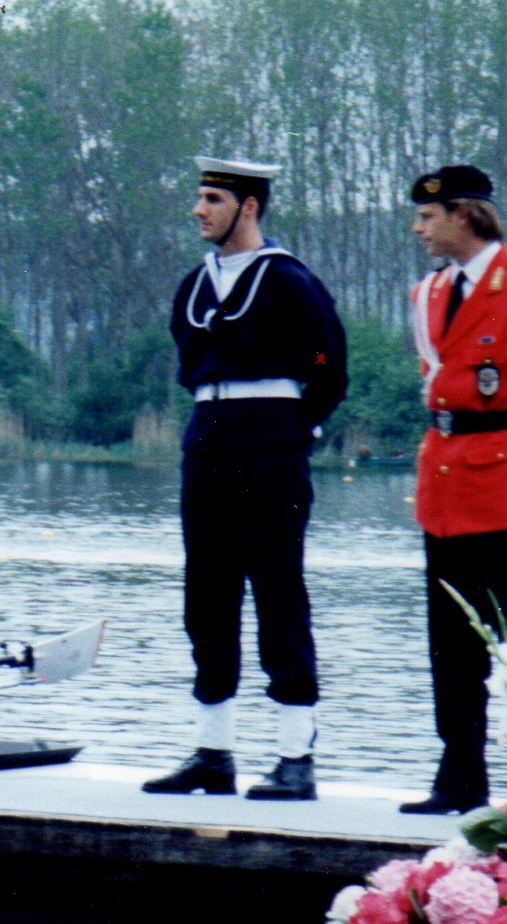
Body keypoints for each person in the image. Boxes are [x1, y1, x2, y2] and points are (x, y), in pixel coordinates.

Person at [143, 157, 347, 801]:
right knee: (206, 596)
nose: (199, 210)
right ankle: (214, 751)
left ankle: (295, 756)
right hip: (208, 441)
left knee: (278, 591)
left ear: (248, 206)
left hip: (271, 443)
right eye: (199, 197)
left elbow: (325, 360)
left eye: (211, 199)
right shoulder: (193, 286)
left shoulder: (289, 282)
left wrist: (294, 425)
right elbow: (189, 355)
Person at [400, 165, 507, 814]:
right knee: (449, 642)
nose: (418, 228)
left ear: (464, 215)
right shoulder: (428, 294)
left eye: (428, 216)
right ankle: (459, 776)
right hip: (444, 490)